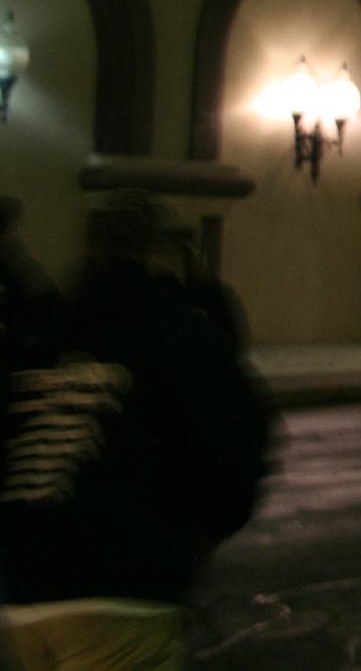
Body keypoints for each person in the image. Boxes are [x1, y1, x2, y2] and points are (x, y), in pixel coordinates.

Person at [1, 192, 272, 671]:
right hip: (119, 594)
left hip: (19, 590)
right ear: (161, 253)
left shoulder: (47, 328)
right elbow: (235, 448)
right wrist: (183, 543)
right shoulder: (176, 335)